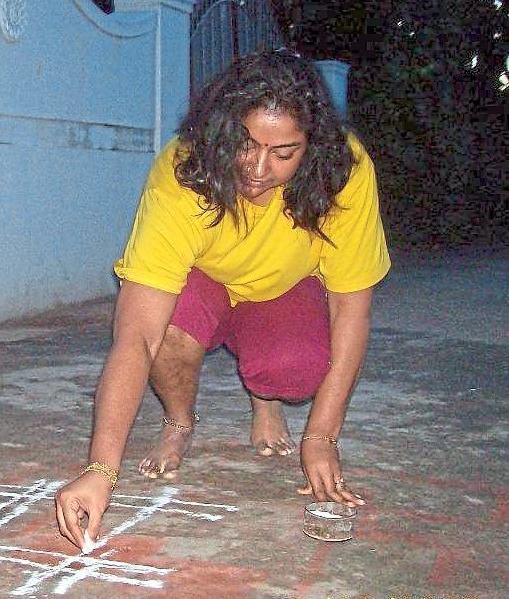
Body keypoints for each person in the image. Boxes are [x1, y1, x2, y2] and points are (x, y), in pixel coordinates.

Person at [54, 50, 390, 549]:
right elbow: (136, 336)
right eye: (247, 145)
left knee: (294, 370)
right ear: (223, 128)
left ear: (312, 148)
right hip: (204, 280)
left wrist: (321, 436)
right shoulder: (183, 170)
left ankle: (266, 399)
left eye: (284, 154)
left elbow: (350, 308)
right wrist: (101, 467)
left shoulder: (345, 173)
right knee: (165, 336)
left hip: (281, 287)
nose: (258, 169)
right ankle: (179, 419)